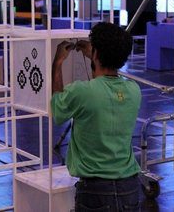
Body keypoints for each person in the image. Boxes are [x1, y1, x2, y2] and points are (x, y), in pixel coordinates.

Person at [51, 22, 142, 211]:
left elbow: (58, 110)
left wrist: (57, 63)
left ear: (97, 54)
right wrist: (95, 56)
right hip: (130, 188)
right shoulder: (134, 90)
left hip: (95, 191)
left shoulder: (82, 91)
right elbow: (103, 89)